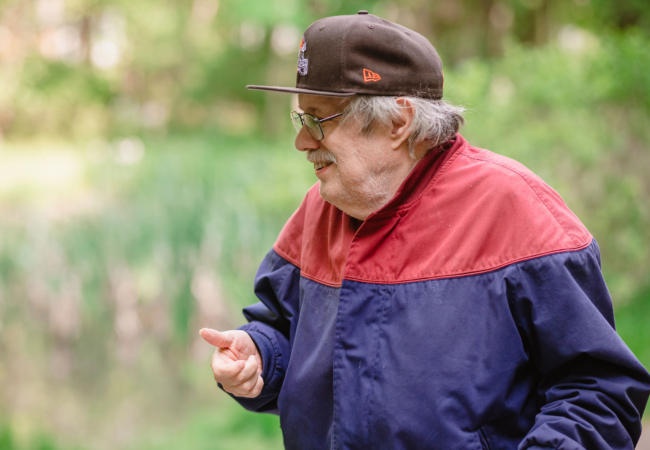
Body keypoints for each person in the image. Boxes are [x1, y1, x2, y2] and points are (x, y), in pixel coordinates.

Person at [199, 11, 650, 450]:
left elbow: (600, 390)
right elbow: (281, 328)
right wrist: (258, 356)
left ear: (398, 122)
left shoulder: (515, 209)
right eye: (302, 118)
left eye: (319, 119)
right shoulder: (320, 208)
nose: (302, 141)